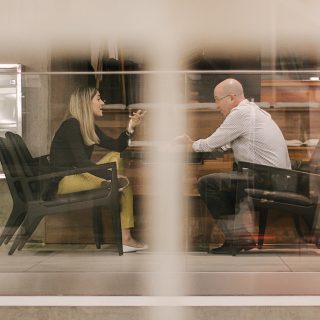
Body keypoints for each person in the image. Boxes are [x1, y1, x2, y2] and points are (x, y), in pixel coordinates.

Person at [181, 78, 291, 254]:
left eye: (217, 100)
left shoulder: (241, 114)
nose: (216, 106)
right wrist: (195, 144)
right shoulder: (252, 111)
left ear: (231, 98)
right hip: (275, 177)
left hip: (267, 178)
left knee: (207, 183)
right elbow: (223, 143)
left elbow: (210, 144)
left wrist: (188, 145)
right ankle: (241, 236)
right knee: (224, 180)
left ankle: (237, 239)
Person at [49, 86, 147, 253]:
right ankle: (126, 238)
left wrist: (131, 126)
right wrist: (110, 175)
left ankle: (115, 184)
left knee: (116, 156)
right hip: (65, 180)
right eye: (98, 99)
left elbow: (117, 146)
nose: (102, 103)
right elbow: (81, 163)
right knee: (122, 184)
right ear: (86, 103)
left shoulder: (87, 126)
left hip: (77, 175)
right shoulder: (71, 125)